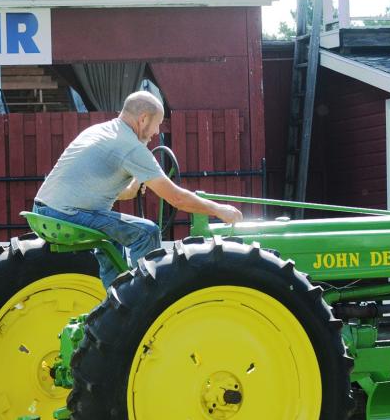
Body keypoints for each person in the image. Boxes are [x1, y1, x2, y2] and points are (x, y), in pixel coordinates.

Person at [33, 91, 242, 287]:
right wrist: (218, 210)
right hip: (67, 214)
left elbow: (113, 191)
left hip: (43, 210)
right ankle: (147, 298)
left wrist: (135, 185)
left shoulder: (100, 130)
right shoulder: (131, 147)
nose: (157, 131)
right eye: (157, 123)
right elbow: (177, 199)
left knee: (113, 240)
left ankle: (117, 300)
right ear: (143, 119)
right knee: (147, 232)